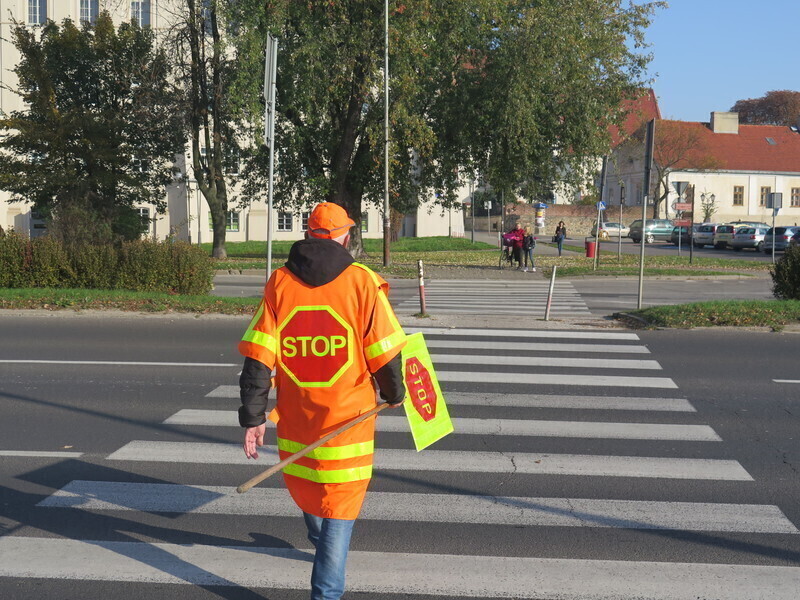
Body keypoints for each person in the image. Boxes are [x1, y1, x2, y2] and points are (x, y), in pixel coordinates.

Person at [238, 201, 407, 600]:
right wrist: (394, 393)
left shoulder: (279, 282)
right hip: (348, 421)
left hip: (298, 419)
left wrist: (253, 417)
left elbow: (259, 354)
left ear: (310, 233)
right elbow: (383, 349)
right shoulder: (362, 282)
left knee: (312, 487)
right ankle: (325, 593)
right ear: (344, 235)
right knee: (340, 507)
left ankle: (319, 546)